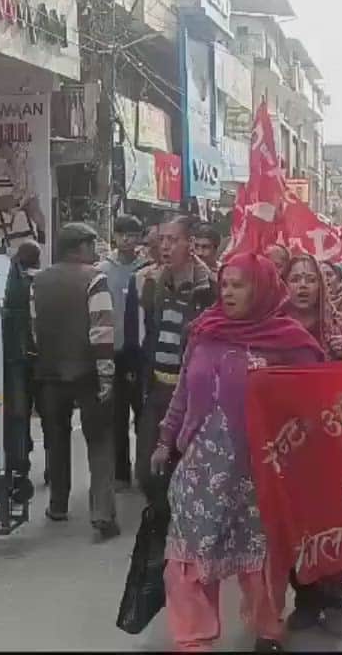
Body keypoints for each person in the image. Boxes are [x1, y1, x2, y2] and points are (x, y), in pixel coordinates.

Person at [148, 253, 325, 652]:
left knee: (259, 556)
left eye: (238, 285)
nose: (227, 292)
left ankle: (266, 628)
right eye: (224, 284)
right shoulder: (205, 332)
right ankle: (194, 638)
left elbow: (313, 404)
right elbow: (182, 392)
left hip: (259, 472)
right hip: (201, 467)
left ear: (260, 288)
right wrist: (165, 440)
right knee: (193, 553)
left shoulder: (290, 343)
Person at [282, 254, 342, 638]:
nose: (302, 286)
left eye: (310, 279)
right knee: (292, 526)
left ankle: (333, 600)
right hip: (285, 444)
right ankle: (304, 599)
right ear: (284, 285)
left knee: (333, 524)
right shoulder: (271, 329)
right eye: (295, 279)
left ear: (322, 285)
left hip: (334, 443)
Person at [31, 222, 119, 540]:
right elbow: (102, 329)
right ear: (79, 247)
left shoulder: (38, 281)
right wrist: (107, 373)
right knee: (99, 442)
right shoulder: (95, 278)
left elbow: (35, 330)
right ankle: (102, 513)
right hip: (88, 372)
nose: (96, 250)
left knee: (56, 441)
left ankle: (58, 504)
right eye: (92, 244)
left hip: (49, 373)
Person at [130, 216, 216, 504]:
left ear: (190, 244)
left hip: (192, 393)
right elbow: (144, 334)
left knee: (187, 465)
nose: (164, 246)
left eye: (172, 240)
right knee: (147, 469)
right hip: (156, 388)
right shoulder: (150, 283)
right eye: (161, 239)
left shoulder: (209, 289)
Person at [98, 215, 151, 491]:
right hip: (113, 350)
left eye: (133, 234)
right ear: (115, 236)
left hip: (141, 352)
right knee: (116, 417)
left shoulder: (149, 269)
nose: (128, 240)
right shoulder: (103, 269)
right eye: (123, 234)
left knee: (144, 415)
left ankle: (145, 469)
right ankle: (120, 473)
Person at [4, 240, 41, 503]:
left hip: (13, 357)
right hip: (22, 357)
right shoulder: (27, 283)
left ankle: (18, 461)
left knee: (17, 414)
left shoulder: (11, 278)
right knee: (21, 413)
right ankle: (20, 464)